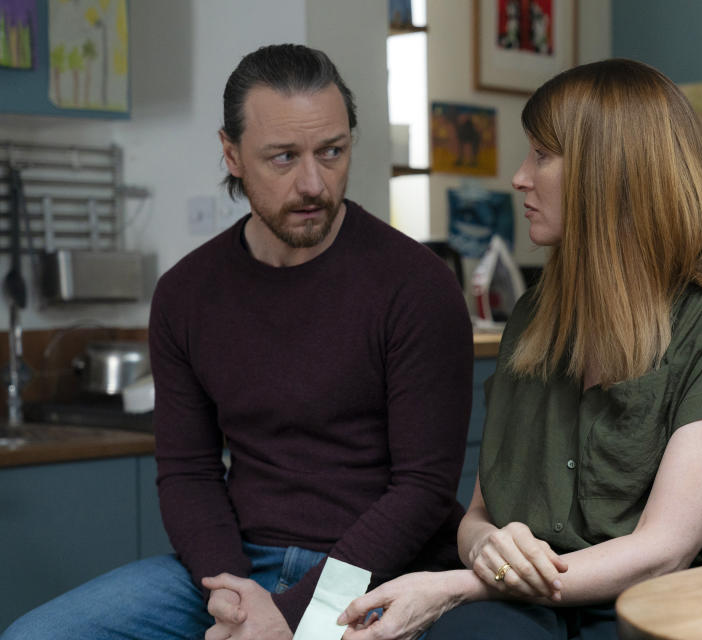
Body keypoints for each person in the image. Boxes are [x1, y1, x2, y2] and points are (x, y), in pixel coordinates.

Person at [2, 44, 473, 640]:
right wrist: (233, 598)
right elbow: (188, 473)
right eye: (283, 157)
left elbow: (423, 490)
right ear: (231, 154)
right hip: (238, 567)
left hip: (378, 573)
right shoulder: (186, 294)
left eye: (332, 152)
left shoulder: (418, 286)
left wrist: (295, 615)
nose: (313, 183)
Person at [336, 58, 702, 640]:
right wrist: (488, 546)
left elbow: (663, 552)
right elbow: (480, 514)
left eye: (541, 155)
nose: (519, 177)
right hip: (548, 600)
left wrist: (456, 584)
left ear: (611, 172)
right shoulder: (535, 315)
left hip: (685, 599)